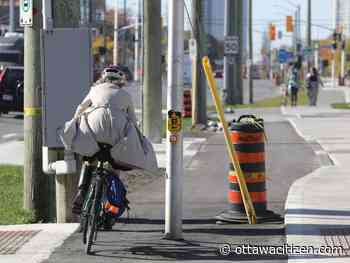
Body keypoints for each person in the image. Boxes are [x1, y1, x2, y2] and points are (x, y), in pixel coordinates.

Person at [71, 67, 137, 215]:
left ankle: (81, 192)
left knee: (89, 160)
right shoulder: (125, 95)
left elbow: (81, 108)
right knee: (115, 163)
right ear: (121, 81)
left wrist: (75, 123)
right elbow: (133, 121)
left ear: (102, 78)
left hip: (94, 130)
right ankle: (112, 205)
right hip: (116, 134)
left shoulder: (95, 90)